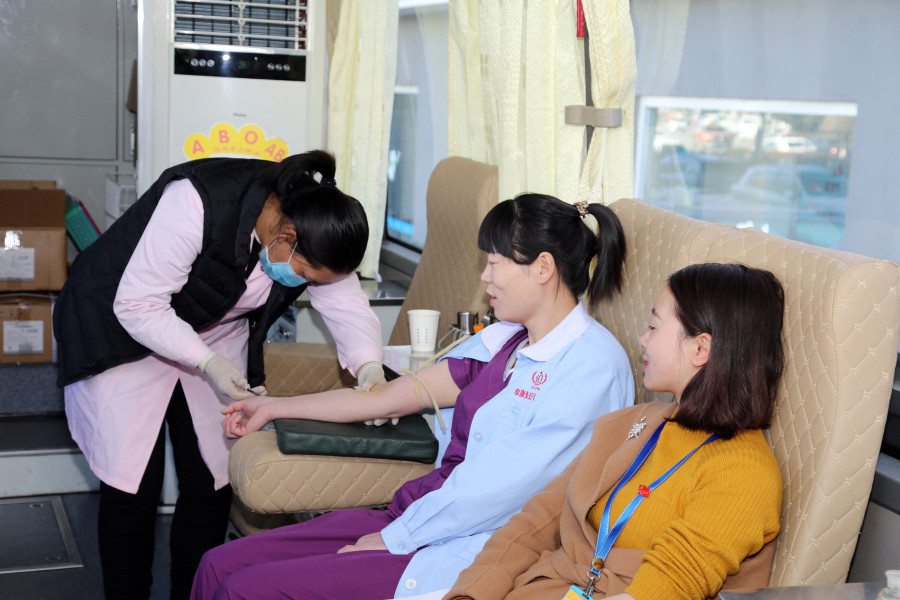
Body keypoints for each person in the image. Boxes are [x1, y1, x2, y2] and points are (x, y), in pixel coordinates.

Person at [191, 194, 635, 600]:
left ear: (542, 268)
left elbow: (498, 493)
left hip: (465, 544)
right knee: (216, 564)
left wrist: (394, 539)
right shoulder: (508, 342)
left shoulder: (589, 369)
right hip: (417, 514)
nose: (484, 277)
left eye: (494, 263)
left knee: (240, 591)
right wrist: (272, 407)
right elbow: (385, 399)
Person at [53, 151, 387, 600]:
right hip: (123, 328)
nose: (302, 281)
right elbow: (139, 305)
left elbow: (347, 307)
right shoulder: (198, 201)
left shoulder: (316, 229)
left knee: (210, 478)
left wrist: (369, 367)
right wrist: (205, 360)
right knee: (132, 485)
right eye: (303, 272)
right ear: (285, 236)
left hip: (216, 333)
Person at [444, 263, 785, 600]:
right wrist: (471, 593)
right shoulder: (630, 424)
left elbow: (672, 582)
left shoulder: (745, 472)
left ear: (700, 349)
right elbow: (538, 521)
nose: (643, 339)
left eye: (654, 327)